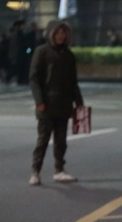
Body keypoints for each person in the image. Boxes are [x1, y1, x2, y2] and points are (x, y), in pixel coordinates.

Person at [29, 21, 83, 186]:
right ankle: (35, 171)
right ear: (51, 34)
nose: (61, 36)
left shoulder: (68, 55)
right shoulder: (42, 52)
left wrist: (79, 103)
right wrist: (39, 101)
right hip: (46, 105)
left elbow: (73, 82)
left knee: (61, 140)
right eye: (58, 32)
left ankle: (59, 170)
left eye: (64, 33)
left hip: (64, 104)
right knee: (43, 140)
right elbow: (34, 79)